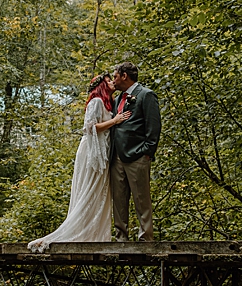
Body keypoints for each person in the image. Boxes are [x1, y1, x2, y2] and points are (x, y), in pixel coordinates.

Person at [27, 74, 128, 252]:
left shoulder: (107, 103)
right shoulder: (96, 101)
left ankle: (93, 235)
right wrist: (115, 121)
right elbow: (90, 127)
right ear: (102, 85)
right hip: (91, 151)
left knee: (99, 192)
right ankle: (76, 233)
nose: (112, 82)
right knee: (89, 190)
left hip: (102, 150)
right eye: (109, 80)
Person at [107, 61, 161, 241]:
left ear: (124, 76)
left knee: (141, 200)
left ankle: (145, 238)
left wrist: (146, 151)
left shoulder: (146, 95)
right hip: (116, 156)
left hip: (137, 156)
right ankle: (121, 238)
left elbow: (153, 127)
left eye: (115, 76)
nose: (113, 81)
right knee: (119, 200)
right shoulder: (117, 99)